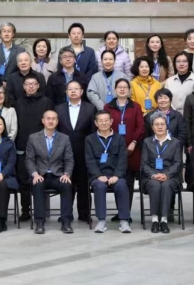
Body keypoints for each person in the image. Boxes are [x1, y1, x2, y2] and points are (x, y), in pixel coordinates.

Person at [26, 110, 74, 234]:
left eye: (53, 119)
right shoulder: (33, 138)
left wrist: (66, 174)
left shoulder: (64, 138)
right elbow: (29, 160)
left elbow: (69, 159)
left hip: (58, 175)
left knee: (67, 185)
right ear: (43, 121)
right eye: (48, 118)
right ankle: (39, 222)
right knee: (38, 185)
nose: (51, 121)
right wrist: (35, 174)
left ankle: (66, 222)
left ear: (57, 121)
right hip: (40, 174)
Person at [13, 74, 54, 220]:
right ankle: (25, 211)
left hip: (42, 146)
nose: (30, 86)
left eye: (33, 84)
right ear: (23, 87)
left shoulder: (46, 102)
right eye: (28, 84)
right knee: (23, 180)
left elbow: (50, 124)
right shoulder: (17, 103)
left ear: (38, 86)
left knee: (42, 178)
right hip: (22, 146)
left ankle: (42, 210)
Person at [85, 110, 132, 234]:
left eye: (106, 120)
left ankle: (124, 220)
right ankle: (101, 221)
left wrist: (117, 175)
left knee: (121, 185)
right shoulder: (90, 139)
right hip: (98, 176)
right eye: (101, 121)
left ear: (111, 121)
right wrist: (98, 176)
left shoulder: (119, 138)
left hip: (116, 175)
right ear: (96, 123)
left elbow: (122, 159)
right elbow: (90, 160)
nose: (104, 123)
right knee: (100, 186)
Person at [56, 81, 96, 222]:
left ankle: (84, 214)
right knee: (67, 183)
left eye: (76, 89)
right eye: (70, 89)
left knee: (83, 183)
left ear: (82, 91)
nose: (73, 91)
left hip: (83, 151)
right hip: (64, 152)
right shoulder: (59, 109)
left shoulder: (90, 108)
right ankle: (66, 214)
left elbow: (93, 132)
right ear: (66, 92)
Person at [104, 78, 145, 219]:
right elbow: (105, 126)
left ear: (129, 90)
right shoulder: (108, 107)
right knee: (117, 180)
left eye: (125, 87)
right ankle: (120, 212)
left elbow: (140, 127)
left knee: (128, 182)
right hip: (113, 149)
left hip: (131, 150)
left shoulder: (136, 107)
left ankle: (125, 212)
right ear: (115, 90)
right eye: (119, 87)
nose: (122, 89)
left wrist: (134, 142)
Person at [140, 112, 183, 233]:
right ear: (152, 127)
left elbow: (177, 163)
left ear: (166, 125)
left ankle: (164, 220)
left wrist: (166, 174)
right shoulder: (147, 142)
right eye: (156, 124)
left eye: (162, 124)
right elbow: (144, 163)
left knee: (166, 185)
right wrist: (153, 175)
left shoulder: (175, 142)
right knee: (155, 185)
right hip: (151, 176)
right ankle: (155, 219)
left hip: (170, 176)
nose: (160, 127)